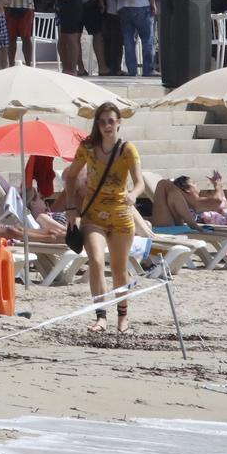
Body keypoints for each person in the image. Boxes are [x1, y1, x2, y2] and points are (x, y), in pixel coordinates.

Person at [61, 101, 140, 334]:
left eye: (111, 121)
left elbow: (139, 182)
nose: (107, 125)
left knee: (119, 269)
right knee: (95, 260)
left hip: (121, 215)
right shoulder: (87, 148)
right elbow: (71, 176)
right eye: (102, 121)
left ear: (119, 123)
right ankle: (101, 316)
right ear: (97, 124)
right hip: (93, 214)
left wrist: (133, 195)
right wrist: (70, 207)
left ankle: (123, 317)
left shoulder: (127, 149)